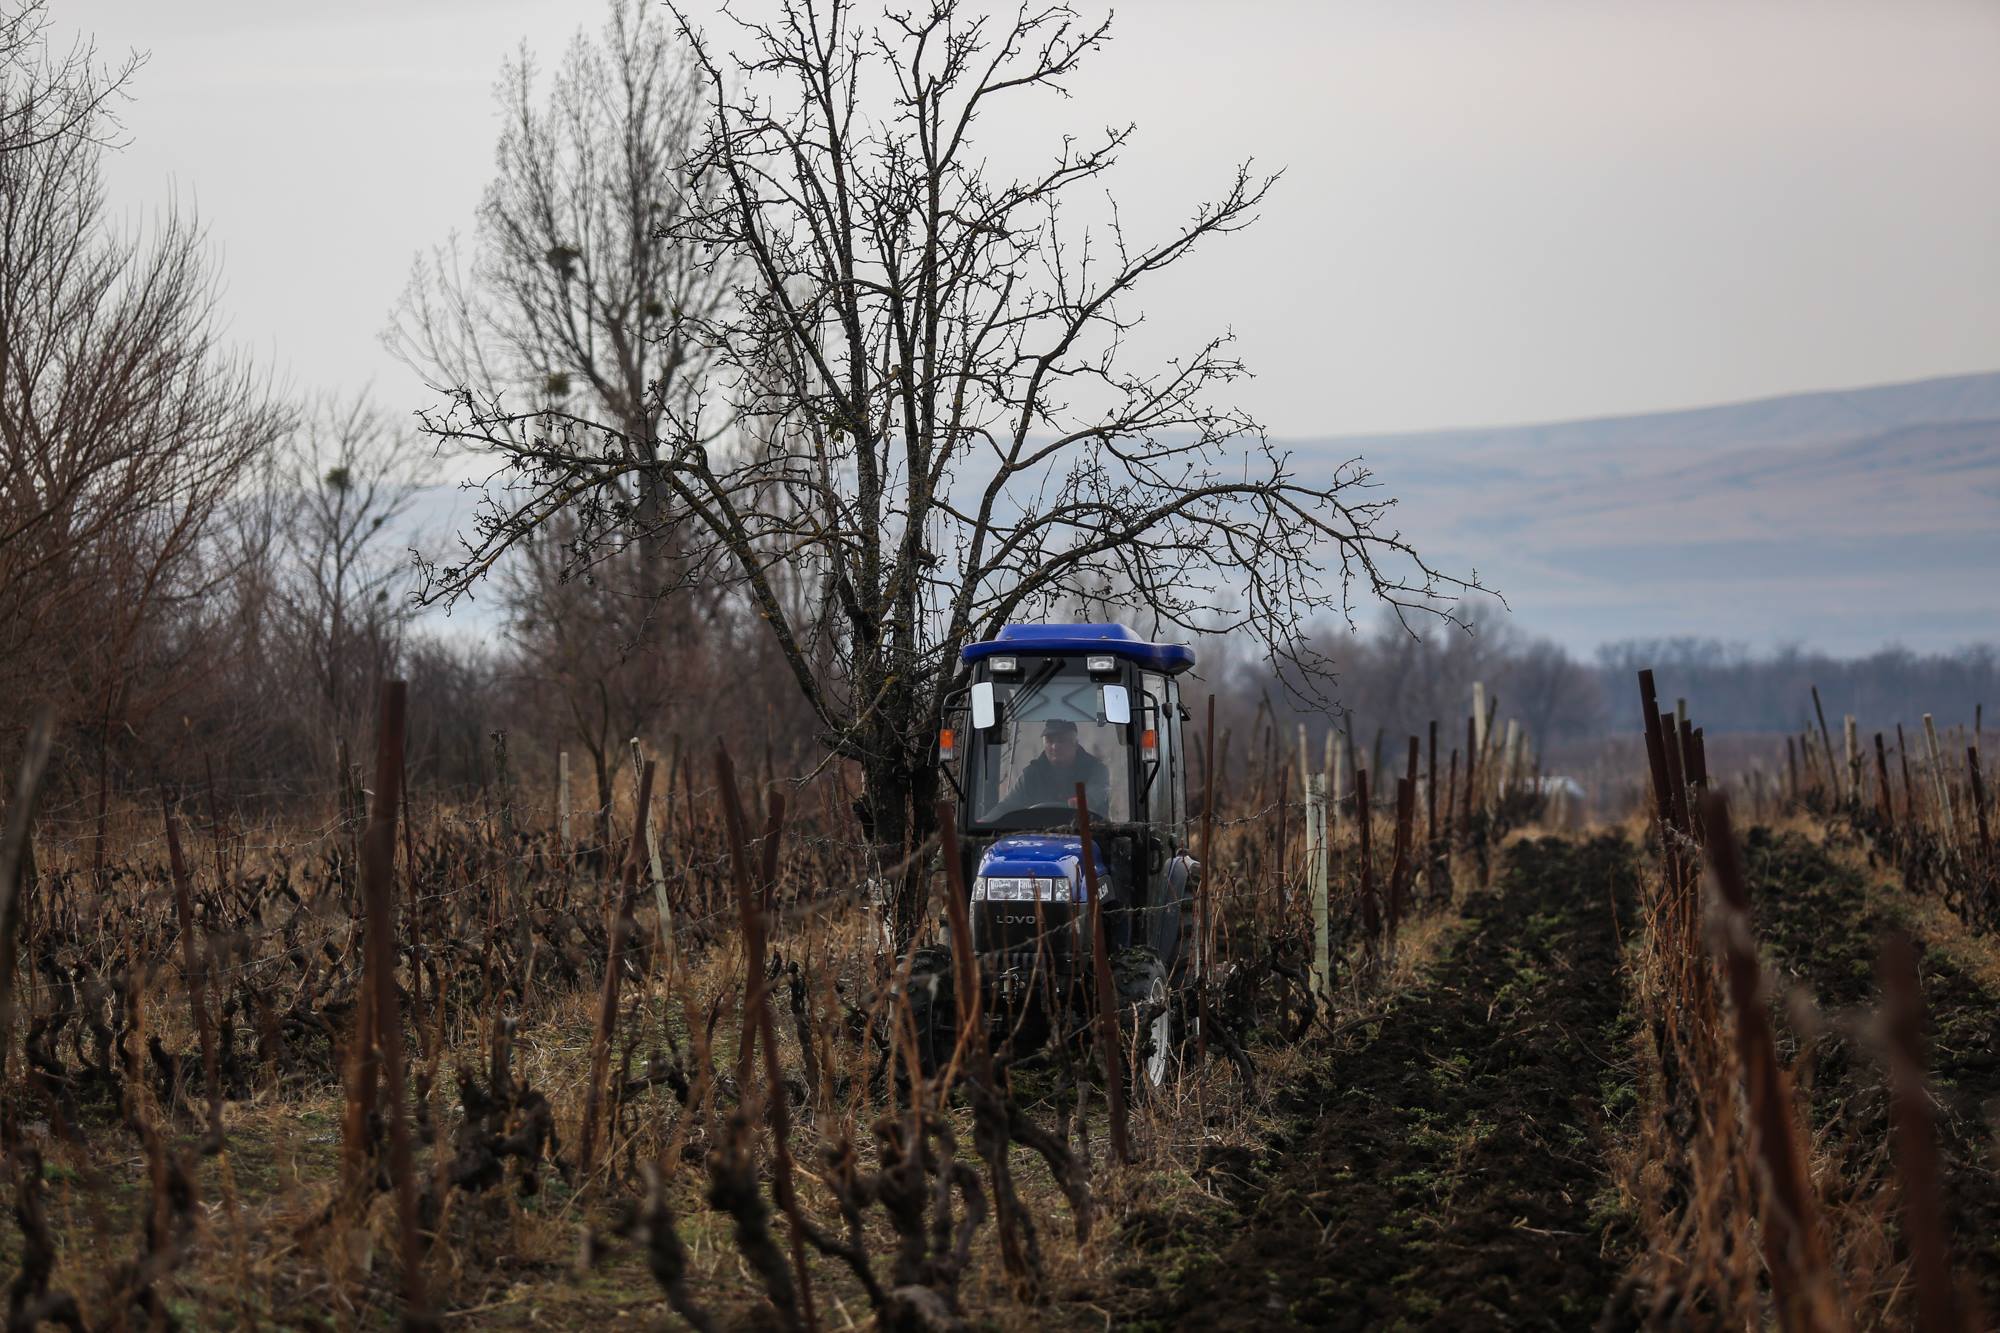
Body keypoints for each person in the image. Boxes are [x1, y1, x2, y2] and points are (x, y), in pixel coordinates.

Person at [1001, 718, 1112, 814]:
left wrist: (1085, 801)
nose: (1055, 746)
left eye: (1061, 740)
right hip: (1038, 835)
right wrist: (986, 821)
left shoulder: (1095, 769)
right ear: (1044, 744)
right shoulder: (1031, 775)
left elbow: (1098, 791)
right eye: (1050, 741)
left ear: (1075, 744)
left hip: (1088, 834)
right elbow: (1007, 806)